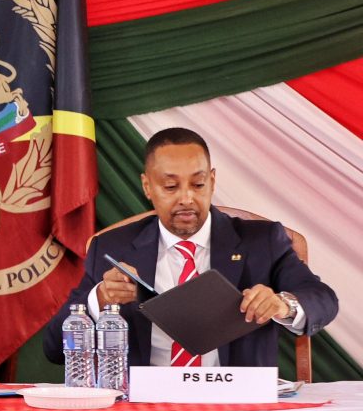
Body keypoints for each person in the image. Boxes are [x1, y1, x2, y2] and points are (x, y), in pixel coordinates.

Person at [44, 127, 338, 368]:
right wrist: (100, 299)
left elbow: (323, 299)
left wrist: (282, 304)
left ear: (212, 181)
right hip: (145, 407)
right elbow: (55, 348)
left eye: (198, 185)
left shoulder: (261, 241)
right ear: (147, 187)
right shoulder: (113, 247)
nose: (186, 198)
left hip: (237, 403)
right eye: (171, 187)